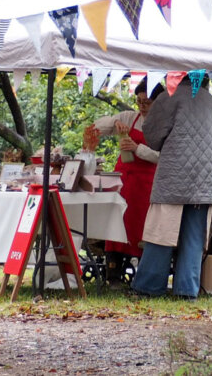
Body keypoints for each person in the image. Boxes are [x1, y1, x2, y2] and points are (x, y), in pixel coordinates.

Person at [130, 75, 212, 299]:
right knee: (193, 238)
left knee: (162, 233)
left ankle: (149, 286)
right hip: (204, 180)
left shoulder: (168, 97)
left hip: (174, 174)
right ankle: (186, 290)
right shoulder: (211, 102)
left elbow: (152, 137)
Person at [84, 78, 162, 282]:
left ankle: (144, 274)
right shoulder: (129, 117)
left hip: (147, 181)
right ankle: (113, 271)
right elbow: (97, 127)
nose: (142, 107)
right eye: (139, 101)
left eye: (147, 102)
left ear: (158, 102)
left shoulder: (163, 125)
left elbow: (161, 156)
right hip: (124, 178)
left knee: (142, 226)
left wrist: (137, 149)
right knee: (117, 221)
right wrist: (113, 122)